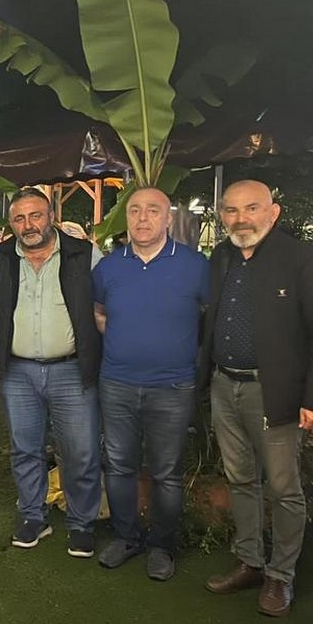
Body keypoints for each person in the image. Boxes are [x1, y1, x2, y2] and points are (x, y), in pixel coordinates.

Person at [200, 180, 313, 616]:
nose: (240, 219)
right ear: (222, 216)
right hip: (224, 385)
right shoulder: (222, 257)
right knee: (240, 479)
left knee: (283, 487)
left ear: (273, 212)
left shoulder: (302, 260)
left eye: (251, 208)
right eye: (231, 210)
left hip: (274, 391)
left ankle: (280, 576)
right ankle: (250, 562)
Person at [92, 187, 210, 580]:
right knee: (119, 466)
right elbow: (100, 313)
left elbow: (207, 316)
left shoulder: (195, 265)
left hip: (173, 386)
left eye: (153, 211)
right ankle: (126, 537)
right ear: (126, 217)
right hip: (117, 383)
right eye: (135, 211)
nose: (143, 218)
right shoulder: (108, 267)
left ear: (168, 218)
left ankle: (162, 545)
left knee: (166, 472)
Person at [0, 188, 102, 558]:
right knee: (25, 448)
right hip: (18, 372)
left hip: (71, 369)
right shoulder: (2, 257)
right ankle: (33, 516)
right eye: (19, 218)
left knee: (80, 451)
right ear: (11, 223)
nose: (28, 225)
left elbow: (106, 302)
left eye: (35, 215)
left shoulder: (84, 254)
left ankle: (81, 524)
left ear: (51, 216)